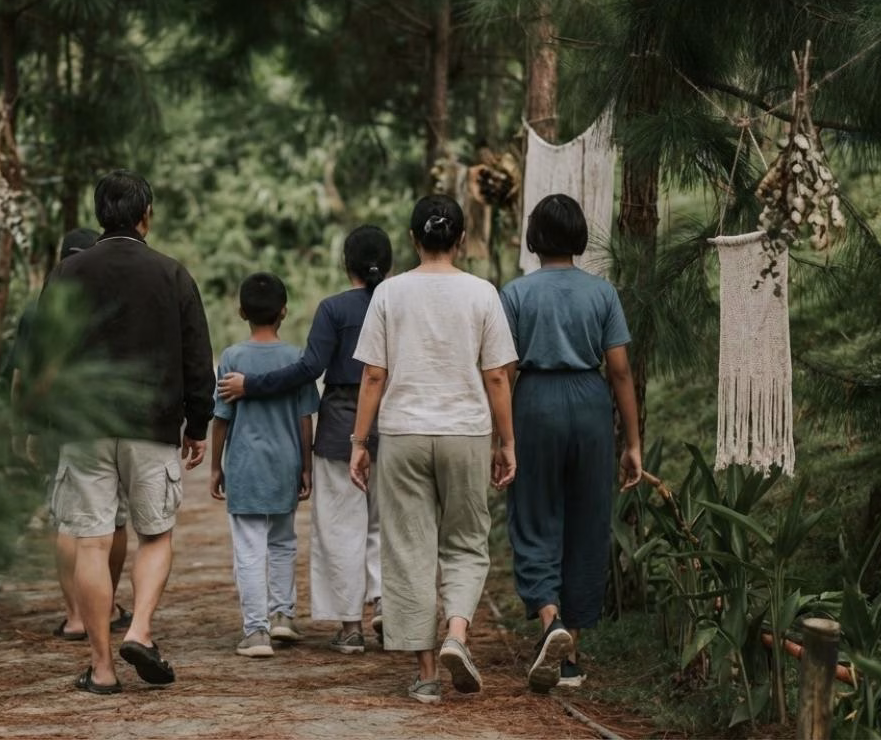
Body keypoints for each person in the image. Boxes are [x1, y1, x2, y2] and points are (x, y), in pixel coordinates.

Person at [41, 170, 215, 695]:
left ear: (100, 217)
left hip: (84, 426)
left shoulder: (67, 273)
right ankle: (139, 628)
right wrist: (198, 423)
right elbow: (196, 356)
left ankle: (101, 668)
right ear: (147, 216)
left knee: (92, 544)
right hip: (152, 425)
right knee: (155, 534)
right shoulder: (172, 274)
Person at [348, 194, 518, 705]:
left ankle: (425, 675)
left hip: (402, 434)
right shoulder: (483, 293)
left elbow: (374, 375)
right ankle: (457, 635)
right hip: (466, 430)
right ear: (462, 239)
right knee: (466, 541)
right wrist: (506, 441)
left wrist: (359, 441)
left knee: (409, 548)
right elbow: (497, 377)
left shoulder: (388, 294)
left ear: (413, 239)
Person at [218, 226, 393, 653]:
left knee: (340, 527)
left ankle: (351, 627)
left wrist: (251, 385)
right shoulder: (398, 304)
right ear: (386, 265)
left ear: (345, 264)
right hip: (393, 421)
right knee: (386, 524)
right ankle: (387, 601)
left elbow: (309, 368)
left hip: (340, 427)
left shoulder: (333, 309)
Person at [499, 193, 642, 692]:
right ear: (580, 236)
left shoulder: (515, 293)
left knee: (534, 512)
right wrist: (634, 443)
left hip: (534, 400)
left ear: (535, 237)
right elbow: (620, 370)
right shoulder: (602, 294)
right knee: (586, 518)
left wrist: (503, 437)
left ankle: (549, 619)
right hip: (590, 401)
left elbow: (504, 371)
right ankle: (570, 658)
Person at [8, 228, 134, 643]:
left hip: (56, 425)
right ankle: (107, 605)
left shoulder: (39, 310)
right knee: (112, 520)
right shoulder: (112, 303)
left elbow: (22, 377)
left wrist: (24, 427)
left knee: (66, 518)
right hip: (105, 421)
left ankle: (76, 615)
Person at [211, 273, 319, 657]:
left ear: (241, 312)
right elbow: (306, 418)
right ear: (284, 312)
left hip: (244, 465)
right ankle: (283, 616)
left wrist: (215, 466)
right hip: (285, 463)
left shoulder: (232, 357)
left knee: (249, 548)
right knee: (283, 542)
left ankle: (256, 632)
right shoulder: (295, 359)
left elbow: (221, 418)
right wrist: (306, 466)